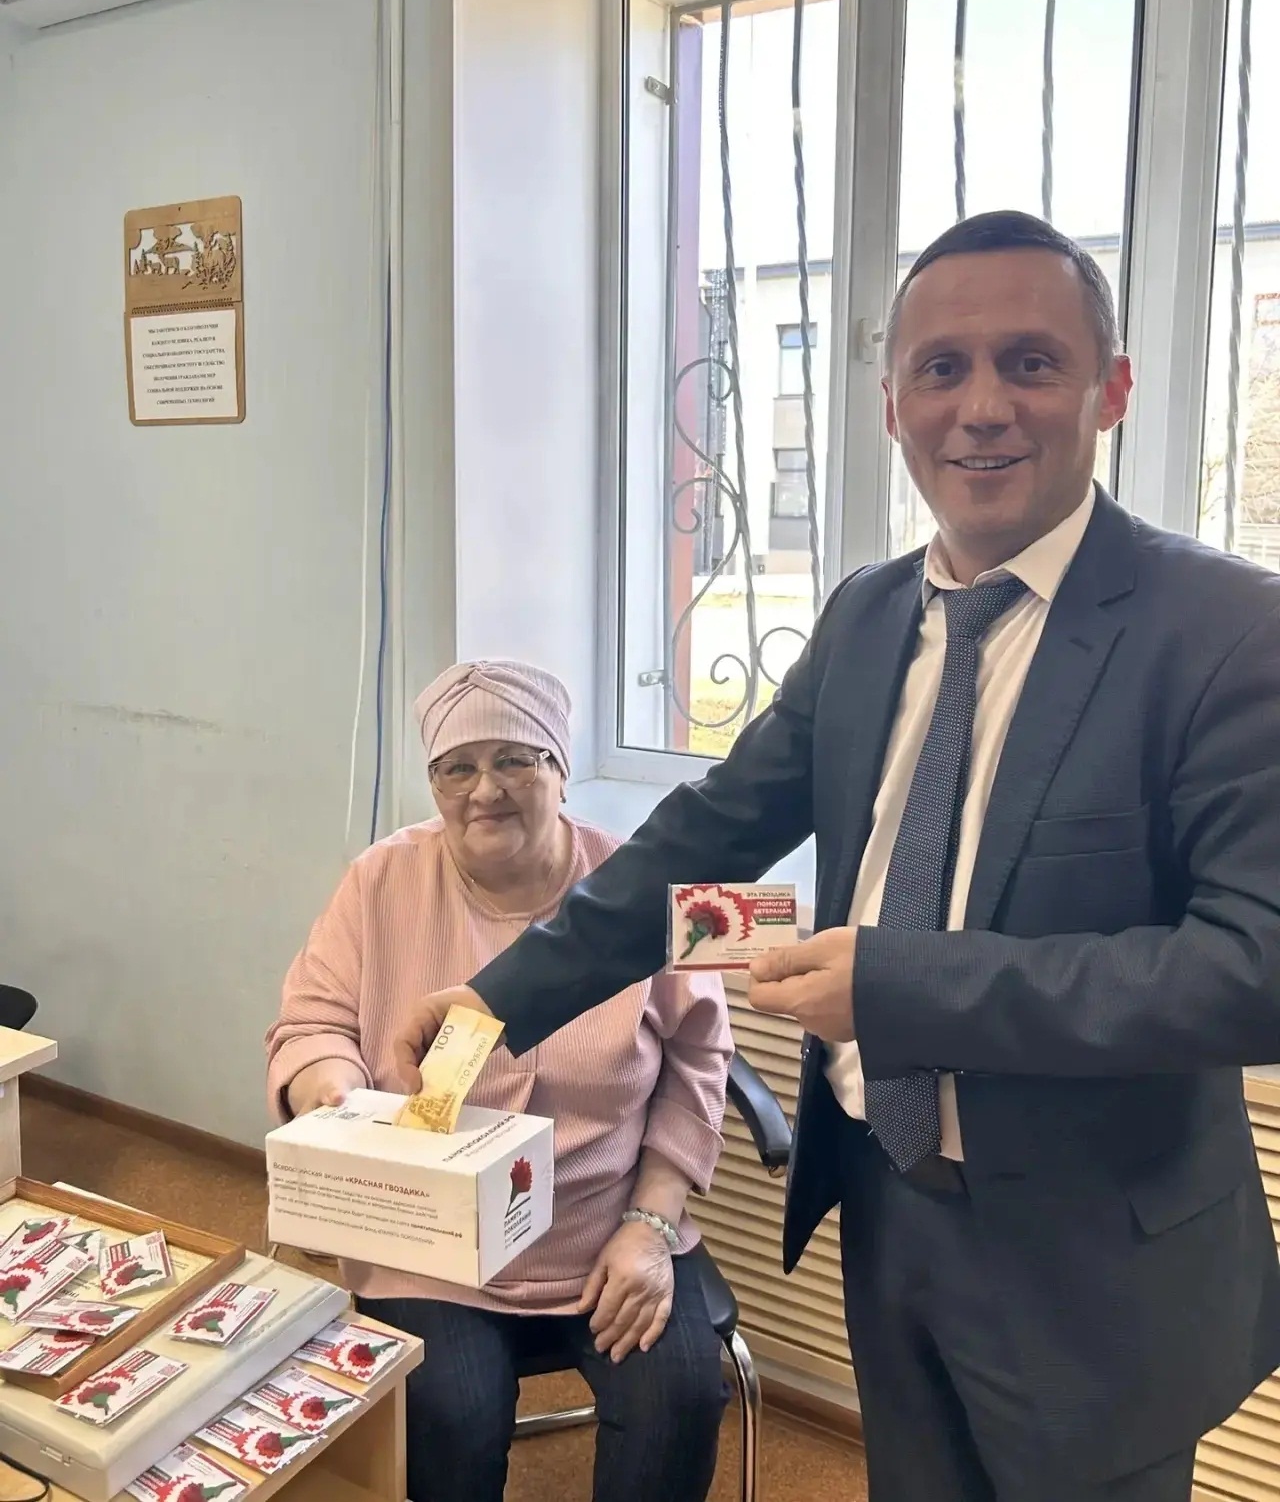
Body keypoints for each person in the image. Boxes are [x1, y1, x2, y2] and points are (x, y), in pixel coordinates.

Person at [392, 214, 1280, 1502]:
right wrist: (493, 1002)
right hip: (889, 1201)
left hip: (1095, 1260)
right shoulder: (866, 616)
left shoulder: (1225, 630)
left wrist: (898, 986)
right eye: (941, 369)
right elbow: (703, 837)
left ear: (1112, 388)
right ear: (890, 406)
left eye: (1030, 363)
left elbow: (1250, 970)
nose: (981, 407)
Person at [266, 659, 731, 1502]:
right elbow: (312, 1022)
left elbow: (699, 1058)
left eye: (515, 758)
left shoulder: (637, 888)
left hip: (605, 1224)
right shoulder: (379, 881)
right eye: (457, 767)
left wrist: (650, 1222)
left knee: (682, 1396)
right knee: (451, 1412)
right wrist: (334, 1110)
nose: (486, 789)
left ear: (561, 768)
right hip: (427, 1236)